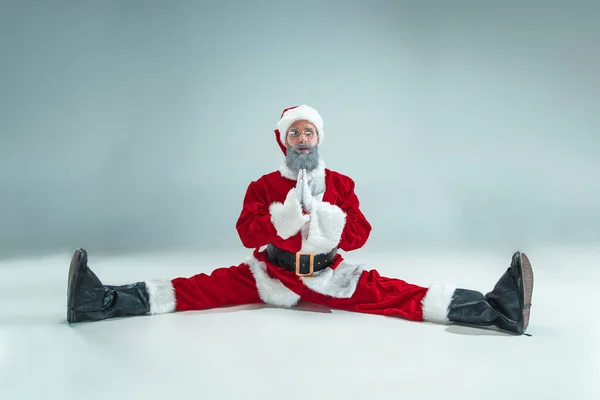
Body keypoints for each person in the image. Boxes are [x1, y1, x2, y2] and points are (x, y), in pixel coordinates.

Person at [67, 104, 534, 335]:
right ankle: (99, 300)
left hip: (329, 275)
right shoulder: (263, 186)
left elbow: (362, 232)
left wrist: (331, 223)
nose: (303, 137)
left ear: (319, 137)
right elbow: (244, 231)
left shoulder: (342, 183)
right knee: (193, 289)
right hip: (268, 274)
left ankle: (498, 309)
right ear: (283, 140)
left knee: (401, 295)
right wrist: (280, 223)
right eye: (295, 131)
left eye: (309, 131)